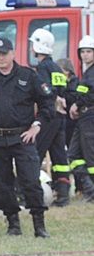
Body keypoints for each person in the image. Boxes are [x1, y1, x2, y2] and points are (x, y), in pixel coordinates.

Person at [0, 37, 54, 237]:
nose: (1, 58)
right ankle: (13, 223)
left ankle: (39, 225)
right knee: (2, 184)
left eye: (4, 53)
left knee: (30, 181)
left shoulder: (28, 76)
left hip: (23, 137)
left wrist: (36, 126)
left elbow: (48, 102)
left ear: (12, 54)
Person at [29, 28, 72, 206]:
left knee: (35, 153)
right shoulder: (56, 67)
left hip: (48, 117)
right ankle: (63, 196)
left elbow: (44, 92)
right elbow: (63, 91)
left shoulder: (42, 68)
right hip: (60, 118)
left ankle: (32, 193)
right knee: (59, 156)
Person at [68, 35, 94, 201]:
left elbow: (88, 94)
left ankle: (92, 192)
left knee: (91, 157)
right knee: (73, 154)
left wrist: (77, 105)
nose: (85, 55)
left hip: (89, 116)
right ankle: (89, 189)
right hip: (83, 118)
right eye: (83, 52)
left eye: (89, 51)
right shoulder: (86, 73)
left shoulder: (91, 74)